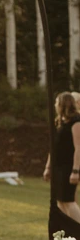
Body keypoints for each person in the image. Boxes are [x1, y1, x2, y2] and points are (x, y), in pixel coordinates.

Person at [44, 92, 80, 223]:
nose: (55, 105)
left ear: (63, 104)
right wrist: (48, 167)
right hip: (57, 167)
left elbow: (78, 148)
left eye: (56, 102)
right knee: (60, 202)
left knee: (69, 201)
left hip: (68, 167)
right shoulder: (60, 122)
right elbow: (53, 148)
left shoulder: (76, 122)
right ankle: (70, 230)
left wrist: (76, 171)